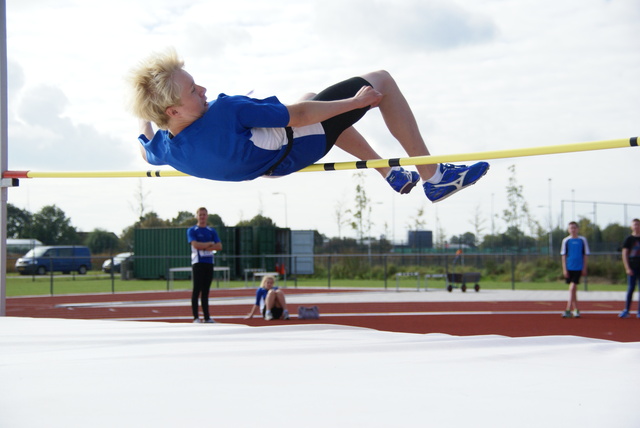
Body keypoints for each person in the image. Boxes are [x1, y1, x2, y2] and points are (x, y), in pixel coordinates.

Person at [128, 49, 489, 202]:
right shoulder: (226, 111)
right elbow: (300, 116)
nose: (204, 89)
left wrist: (146, 112)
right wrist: (357, 102)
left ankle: (386, 172)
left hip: (270, 166)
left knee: (315, 97)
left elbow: (146, 147)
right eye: (193, 90)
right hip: (302, 144)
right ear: (173, 111)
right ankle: (434, 176)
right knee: (381, 81)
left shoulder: (168, 149)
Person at [187, 207, 222, 323]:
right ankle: (196, 317)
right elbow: (196, 245)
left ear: (207, 216)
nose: (202, 217)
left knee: (206, 290)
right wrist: (210, 244)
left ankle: (207, 317)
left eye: (204, 215)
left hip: (209, 262)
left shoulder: (211, 231)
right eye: (200, 215)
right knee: (197, 289)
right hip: (198, 262)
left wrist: (206, 246)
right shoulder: (192, 230)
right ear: (197, 216)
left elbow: (219, 246)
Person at [560, 221, 590, 318]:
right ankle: (576, 309)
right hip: (569, 267)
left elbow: (585, 255)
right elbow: (563, 256)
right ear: (568, 230)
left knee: (572, 287)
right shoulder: (566, 241)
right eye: (571, 228)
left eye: (574, 228)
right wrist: (564, 269)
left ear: (578, 229)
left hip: (578, 267)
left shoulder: (582, 240)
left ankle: (568, 309)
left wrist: (584, 267)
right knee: (573, 289)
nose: (573, 230)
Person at [618, 218, 640, 318]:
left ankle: (639, 311)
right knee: (630, 288)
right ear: (631, 226)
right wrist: (627, 267)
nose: (636, 226)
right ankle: (626, 310)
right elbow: (625, 254)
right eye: (634, 225)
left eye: (638, 225)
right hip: (632, 267)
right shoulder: (629, 239)